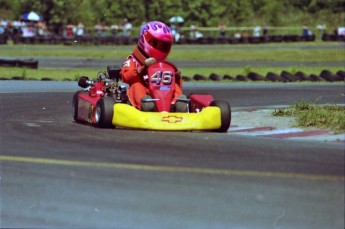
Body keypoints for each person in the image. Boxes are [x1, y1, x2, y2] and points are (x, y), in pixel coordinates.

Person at [120, 21, 185, 111]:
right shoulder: (133, 60)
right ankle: (146, 106)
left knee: (175, 86)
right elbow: (125, 77)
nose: (161, 48)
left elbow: (177, 85)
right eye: (157, 44)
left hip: (160, 90)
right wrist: (141, 69)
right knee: (137, 85)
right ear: (145, 39)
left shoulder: (163, 64)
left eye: (164, 46)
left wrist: (177, 77)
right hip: (143, 91)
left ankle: (176, 106)